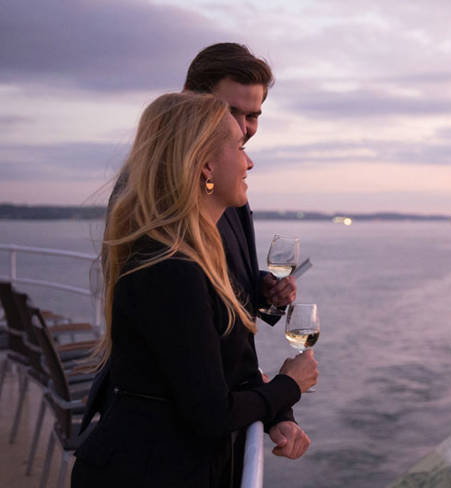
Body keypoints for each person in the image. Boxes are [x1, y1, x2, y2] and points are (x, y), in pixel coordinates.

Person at [80, 43, 310, 478]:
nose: (245, 130)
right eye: (232, 113)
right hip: (155, 447)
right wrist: (286, 387)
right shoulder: (153, 205)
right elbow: (180, 303)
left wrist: (263, 291)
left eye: (254, 116)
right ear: (193, 100)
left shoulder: (226, 196)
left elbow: (221, 299)